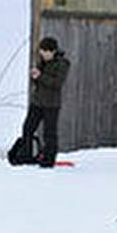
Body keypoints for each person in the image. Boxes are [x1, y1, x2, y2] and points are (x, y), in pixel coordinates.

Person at [22, 36, 70, 168]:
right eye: (41, 53)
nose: (42, 55)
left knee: (49, 133)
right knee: (27, 129)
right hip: (37, 102)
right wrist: (34, 77)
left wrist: (40, 76)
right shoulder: (42, 62)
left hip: (51, 104)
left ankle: (48, 161)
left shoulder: (62, 64)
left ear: (52, 51)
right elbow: (39, 82)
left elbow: (57, 83)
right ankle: (26, 156)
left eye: (44, 52)